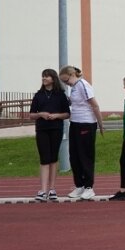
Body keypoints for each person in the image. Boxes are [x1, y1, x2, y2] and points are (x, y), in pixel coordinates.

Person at [59, 66, 104, 200]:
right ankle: (79, 185)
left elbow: (95, 105)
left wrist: (100, 124)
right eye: (64, 82)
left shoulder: (83, 85)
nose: (66, 84)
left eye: (66, 80)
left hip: (86, 123)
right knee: (74, 156)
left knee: (85, 155)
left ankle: (89, 187)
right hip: (75, 123)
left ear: (72, 74)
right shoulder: (74, 88)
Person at [28, 69, 71, 201]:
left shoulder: (60, 95)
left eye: (46, 76)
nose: (44, 78)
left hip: (56, 128)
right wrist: (41, 114)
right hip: (41, 129)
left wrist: (56, 116)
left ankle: (52, 189)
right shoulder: (38, 95)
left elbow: (67, 114)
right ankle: (42, 190)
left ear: (53, 78)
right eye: (43, 76)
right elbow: (31, 115)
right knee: (44, 158)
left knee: (53, 158)